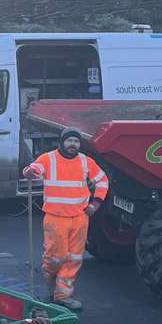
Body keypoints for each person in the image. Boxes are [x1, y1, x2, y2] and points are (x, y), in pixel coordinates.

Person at [22, 127, 108, 311]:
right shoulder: (48, 158)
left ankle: (62, 295)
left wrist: (95, 204)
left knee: (74, 259)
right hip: (56, 218)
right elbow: (34, 168)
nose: (73, 144)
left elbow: (103, 181)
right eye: (69, 141)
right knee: (56, 257)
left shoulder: (86, 161)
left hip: (79, 218)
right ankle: (51, 284)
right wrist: (29, 171)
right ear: (62, 142)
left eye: (76, 141)